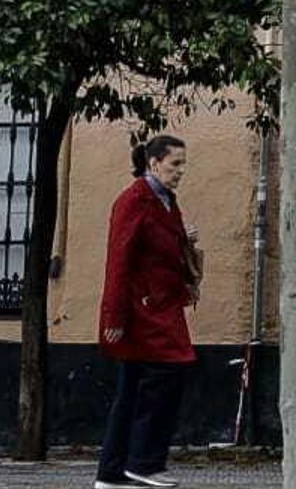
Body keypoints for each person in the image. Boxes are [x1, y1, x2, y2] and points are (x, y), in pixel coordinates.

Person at [95, 135, 200, 489]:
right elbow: (118, 261)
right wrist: (113, 317)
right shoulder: (134, 201)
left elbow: (161, 248)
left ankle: (111, 473)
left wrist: (184, 240)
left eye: (183, 164)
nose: (181, 171)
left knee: (130, 390)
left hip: (159, 306)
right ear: (154, 163)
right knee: (165, 378)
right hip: (145, 312)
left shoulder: (165, 200)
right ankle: (144, 462)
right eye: (175, 164)